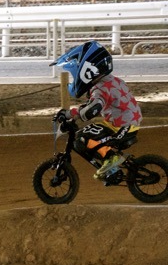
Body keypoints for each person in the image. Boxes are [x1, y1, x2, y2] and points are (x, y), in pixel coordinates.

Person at [51, 40, 143, 181]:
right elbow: (90, 105)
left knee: (82, 138)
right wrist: (70, 114)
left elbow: (92, 110)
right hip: (128, 123)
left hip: (121, 127)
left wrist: (73, 115)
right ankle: (112, 163)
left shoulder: (100, 88)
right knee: (89, 133)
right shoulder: (112, 81)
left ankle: (111, 159)